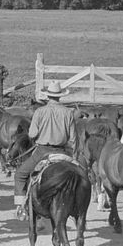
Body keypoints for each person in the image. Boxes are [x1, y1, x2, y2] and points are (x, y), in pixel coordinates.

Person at [13, 81, 77, 220]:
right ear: (60, 96)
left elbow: (31, 134)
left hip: (42, 151)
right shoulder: (68, 112)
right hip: (62, 151)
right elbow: (73, 139)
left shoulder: (40, 111)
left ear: (48, 96)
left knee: (20, 174)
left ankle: (21, 207)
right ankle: (76, 208)